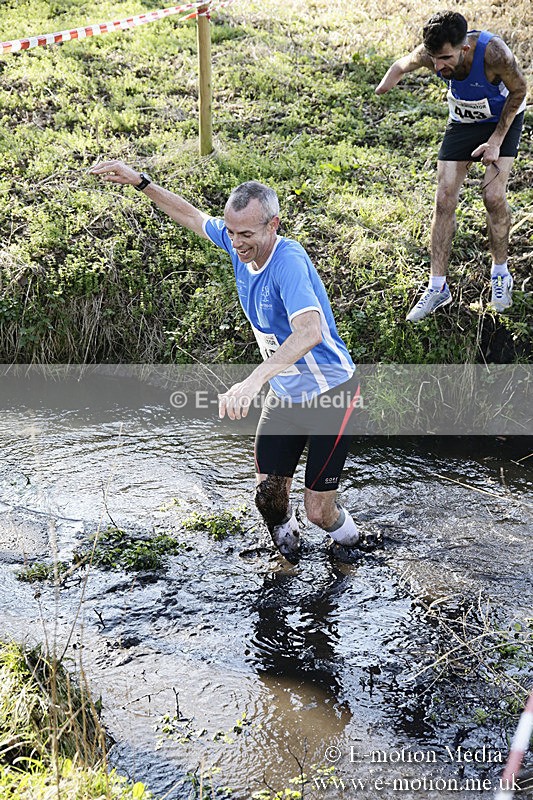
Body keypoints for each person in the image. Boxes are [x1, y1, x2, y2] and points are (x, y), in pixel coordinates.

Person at [90, 160, 374, 562]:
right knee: (269, 499)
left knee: (318, 512)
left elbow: (310, 332)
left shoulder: (287, 262)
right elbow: (189, 214)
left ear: (273, 225)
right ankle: (289, 560)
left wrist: (252, 382)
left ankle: (352, 547)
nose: (236, 243)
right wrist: (140, 182)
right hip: (286, 395)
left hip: (331, 394)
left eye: (246, 234)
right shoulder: (237, 241)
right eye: (232, 232)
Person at [375, 10, 527, 322]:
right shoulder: (432, 55)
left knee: (493, 196)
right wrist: (387, 82)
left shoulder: (495, 54)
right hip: (463, 122)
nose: (439, 67)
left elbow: (520, 90)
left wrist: (497, 140)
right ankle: (438, 287)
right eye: (434, 59)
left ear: (465, 49)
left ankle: (500, 274)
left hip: (503, 120)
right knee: (444, 199)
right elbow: (402, 64)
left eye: (445, 58)